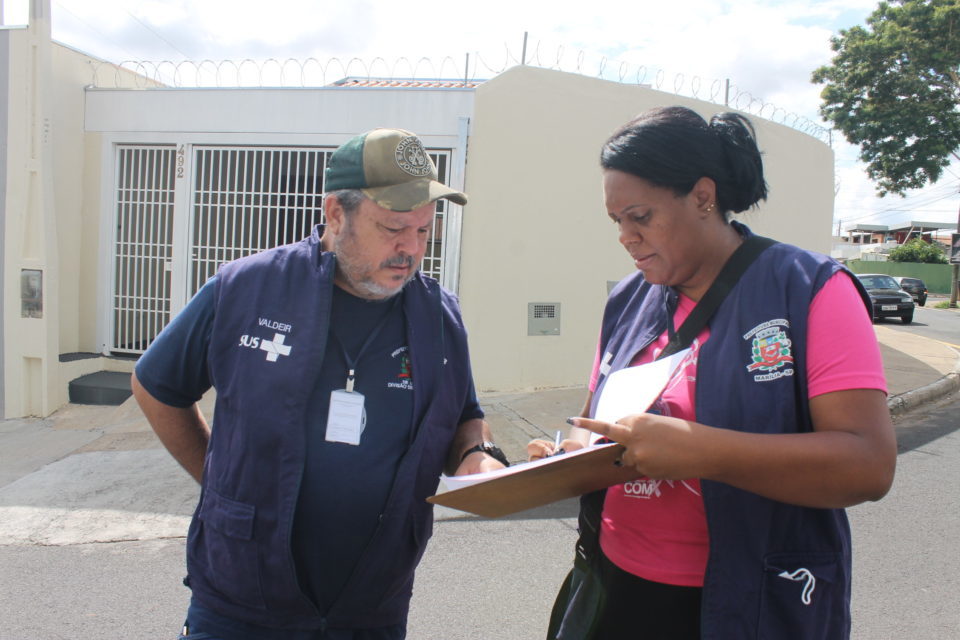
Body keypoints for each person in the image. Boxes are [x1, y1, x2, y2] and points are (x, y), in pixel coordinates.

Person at [530, 106, 897, 639]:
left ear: (703, 197)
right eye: (617, 222)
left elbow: (868, 465)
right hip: (618, 586)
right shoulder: (628, 301)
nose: (625, 237)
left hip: (750, 602)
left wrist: (702, 452)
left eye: (640, 216)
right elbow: (598, 429)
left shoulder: (809, 289)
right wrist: (563, 458)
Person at [132, 127, 509, 640]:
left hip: (373, 602)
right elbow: (157, 386)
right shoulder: (245, 289)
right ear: (336, 213)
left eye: (424, 231)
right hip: (242, 598)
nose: (410, 249)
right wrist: (219, 483)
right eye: (393, 227)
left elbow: (464, 411)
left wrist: (478, 453)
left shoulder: (438, 315)